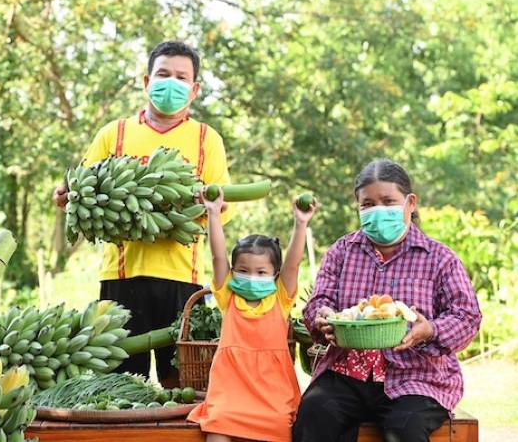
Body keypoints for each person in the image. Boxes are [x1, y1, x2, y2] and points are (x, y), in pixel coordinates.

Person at [52, 41, 232, 385]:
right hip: (122, 276)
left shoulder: (206, 139)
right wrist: (66, 195)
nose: (171, 83)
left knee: (182, 383)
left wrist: (211, 206)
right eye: (163, 74)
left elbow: (222, 211)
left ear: (194, 89)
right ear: (147, 81)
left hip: (182, 277)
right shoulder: (114, 133)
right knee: (120, 385)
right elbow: (82, 189)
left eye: (181, 77)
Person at [292, 159, 482, 442]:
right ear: (358, 207)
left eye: (388, 201)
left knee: (404, 427)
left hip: (416, 376)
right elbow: (319, 301)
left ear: (410, 203)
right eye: (368, 204)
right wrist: (321, 316)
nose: (378, 210)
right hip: (346, 372)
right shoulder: (341, 252)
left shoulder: (440, 258)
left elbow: (467, 316)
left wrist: (430, 330)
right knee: (314, 415)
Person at [187, 188, 317, 442]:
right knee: (217, 426)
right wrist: (213, 213)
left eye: (261, 272)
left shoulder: (280, 298)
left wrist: (300, 223)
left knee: (278, 426)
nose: (251, 277)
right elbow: (217, 257)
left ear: (275, 275)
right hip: (230, 388)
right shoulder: (228, 295)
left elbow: (292, 264)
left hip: (272, 391)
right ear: (233, 270)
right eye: (243, 270)